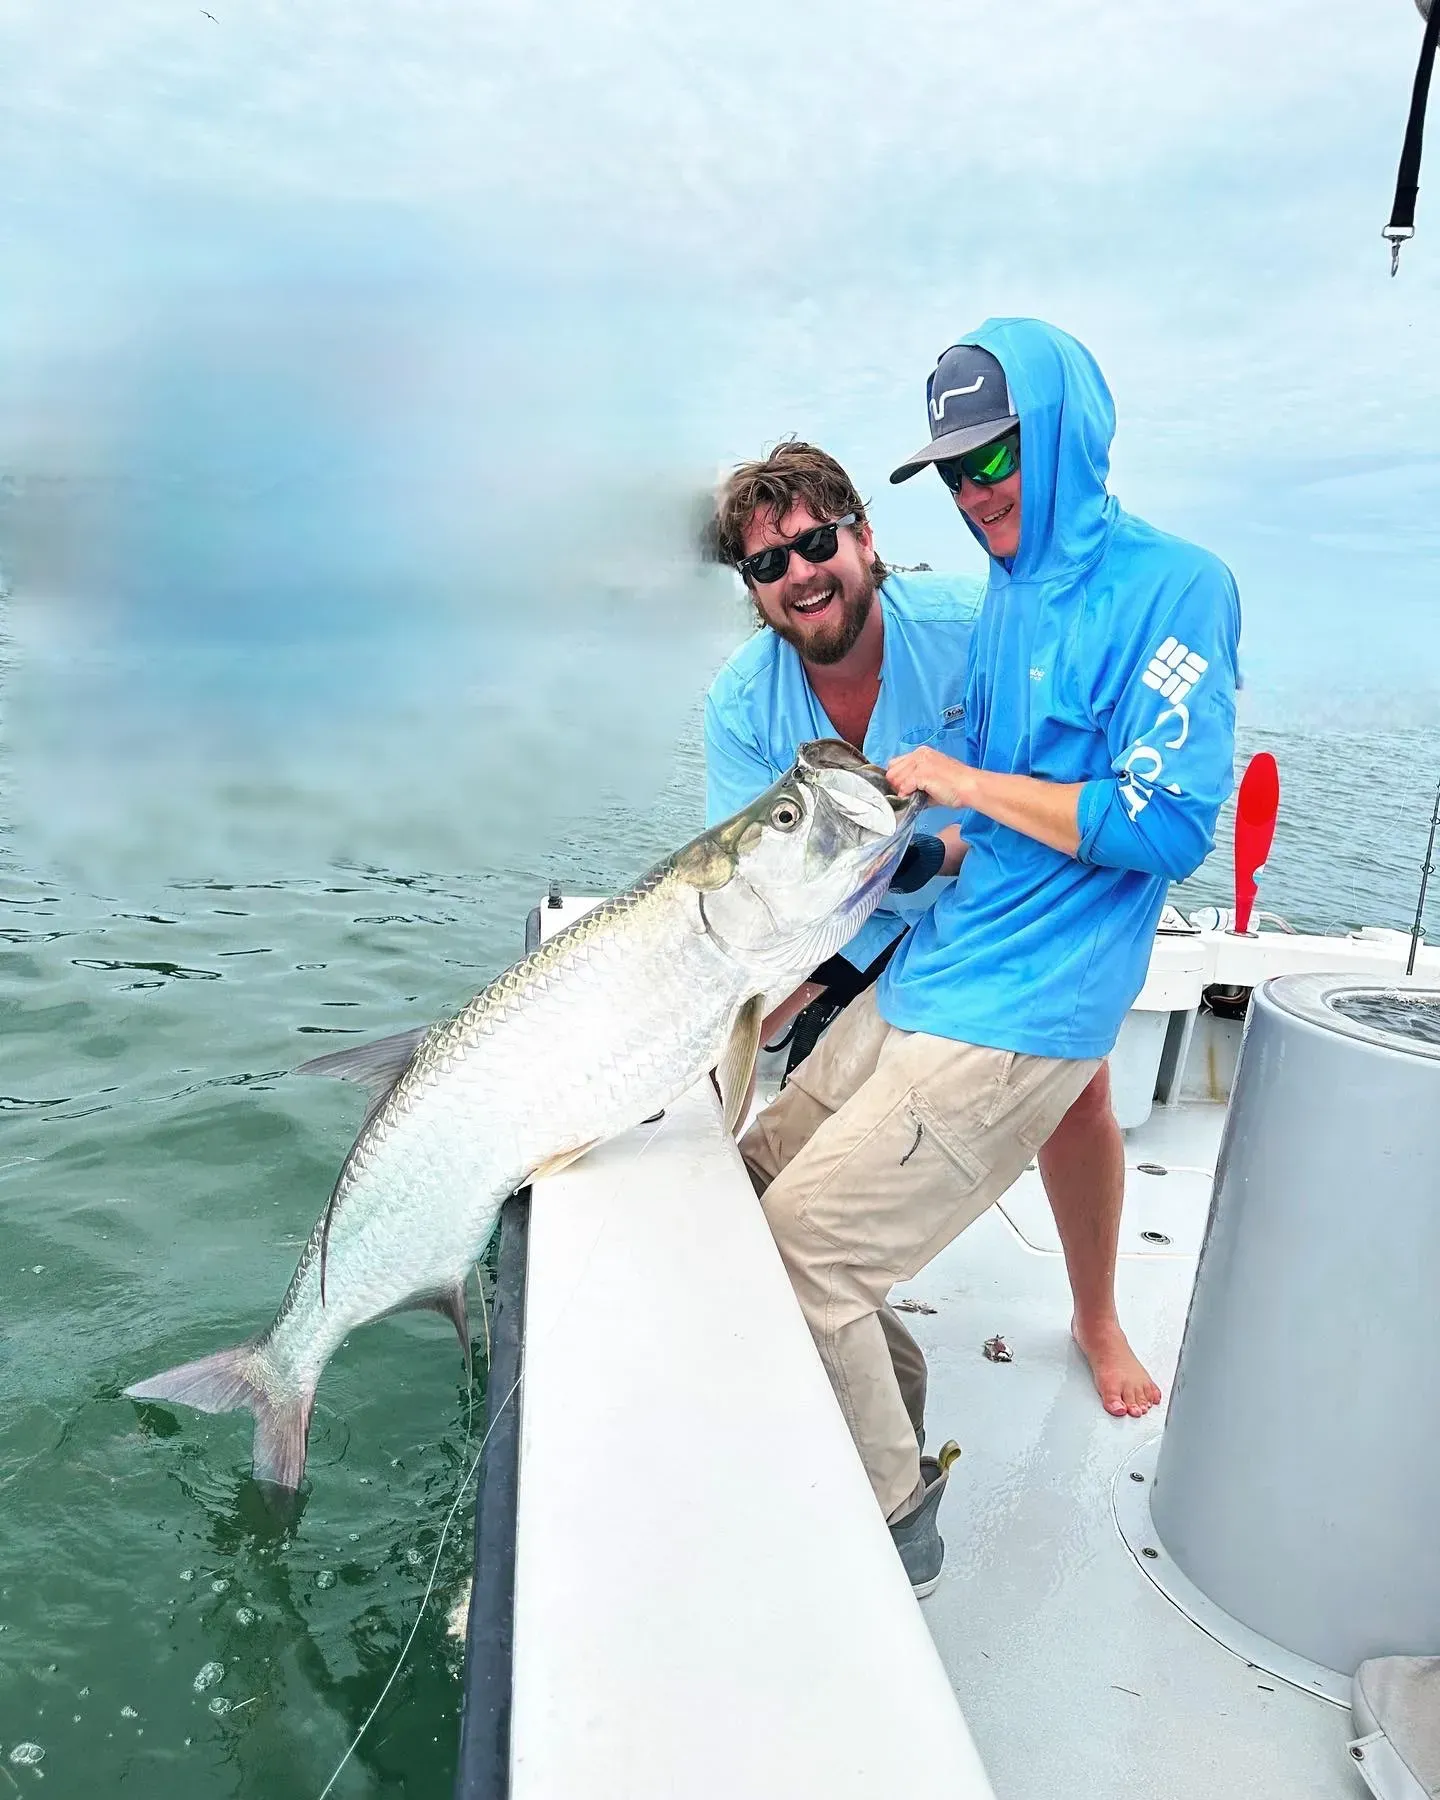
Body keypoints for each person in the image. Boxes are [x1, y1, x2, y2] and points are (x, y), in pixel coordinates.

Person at [710, 322, 1239, 1596]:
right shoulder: (1007, 595)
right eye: (953, 467)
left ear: (1058, 436)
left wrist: (965, 784)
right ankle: (878, 1412)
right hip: (933, 965)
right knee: (742, 1185)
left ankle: (895, 1525)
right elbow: (962, 838)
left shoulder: (1177, 587)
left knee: (803, 1258)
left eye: (995, 454)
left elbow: (1167, 827)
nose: (975, 487)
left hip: (1025, 1009)